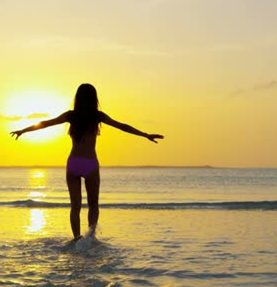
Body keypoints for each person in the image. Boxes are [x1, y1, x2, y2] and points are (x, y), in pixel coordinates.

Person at [10, 83, 163, 241]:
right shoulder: (97, 116)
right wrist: (145, 135)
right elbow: (122, 126)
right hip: (90, 163)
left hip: (73, 163)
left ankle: (77, 239)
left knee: (75, 206)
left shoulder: (71, 115)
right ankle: (90, 238)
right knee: (93, 205)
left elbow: (45, 123)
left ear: (78, 98)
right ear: (94, 99)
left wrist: (23, 131)